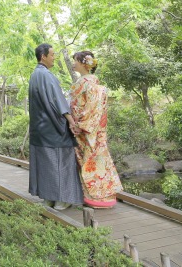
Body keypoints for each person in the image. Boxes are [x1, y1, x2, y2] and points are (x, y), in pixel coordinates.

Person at [28, 43, 85, 210]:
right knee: (62, 163)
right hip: (54, 129)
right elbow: (58, 100)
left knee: (46, 164)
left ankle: (48, 199)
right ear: (43, 56)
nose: (54, 58)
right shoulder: (47, 75)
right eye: (52, 55)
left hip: (40, 130)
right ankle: (62, 200)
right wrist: (71, 120)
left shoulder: (34, 75)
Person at [70, 50, 123, 208]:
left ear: (84, 64)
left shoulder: (88, 83)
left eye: (76, 60)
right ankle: (101, 196)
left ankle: (96, 198)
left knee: (89, 161)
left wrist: (79, 125)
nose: (73, 63)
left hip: (85, 129)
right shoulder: (90, 82)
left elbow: (90, 107)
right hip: (93, 129)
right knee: (97, 161)